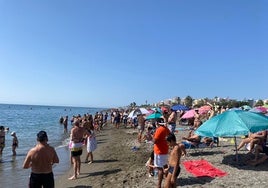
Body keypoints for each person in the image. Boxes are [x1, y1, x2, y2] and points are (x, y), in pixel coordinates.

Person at [153, 122, 170, 188]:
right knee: (165, 166)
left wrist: (153, 136)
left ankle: (159, 185)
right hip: (164, 149)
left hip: (159, 151)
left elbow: (155, 141)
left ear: (157, 123)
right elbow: (169, 136)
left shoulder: (159, 129)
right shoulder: (166, 128)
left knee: (160, 168)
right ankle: (167, 180)